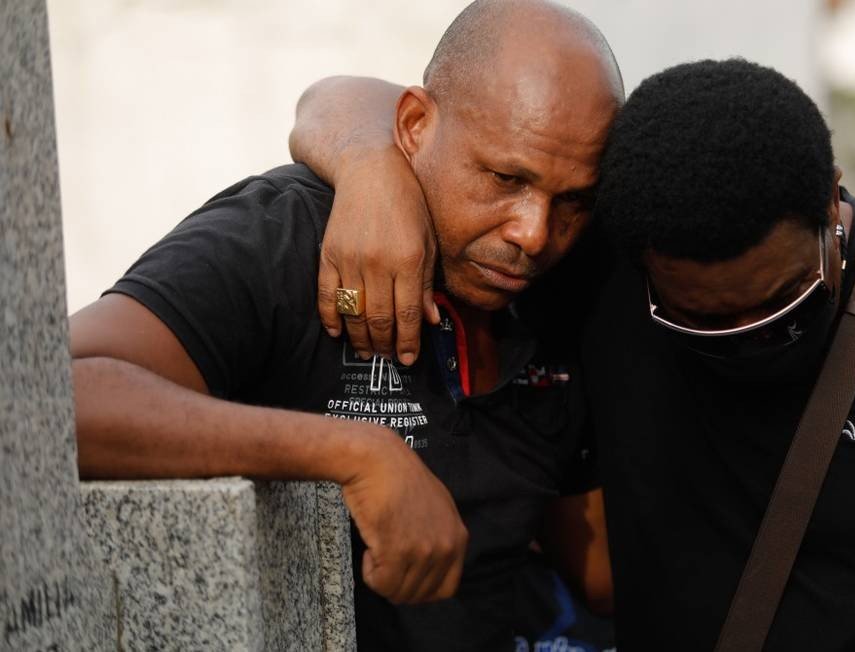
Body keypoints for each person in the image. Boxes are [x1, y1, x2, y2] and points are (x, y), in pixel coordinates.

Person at [290, 57, 855, 649]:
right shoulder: (588, 259)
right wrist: (369, 169)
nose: (748, 339)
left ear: (830, 200)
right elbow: (339, 99)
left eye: (784, 303)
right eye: (700, 318)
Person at [70, 1, 624, 649]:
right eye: (505, 178)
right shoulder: (288, 237)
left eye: (573, 200)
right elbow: (61, 396)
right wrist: (352, 455)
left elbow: (597, 569)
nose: (534, 233)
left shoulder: (571, 282)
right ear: (414, 125)